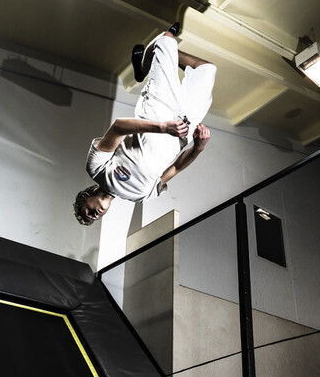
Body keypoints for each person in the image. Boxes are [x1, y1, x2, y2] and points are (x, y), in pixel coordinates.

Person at [73, 23, 216, 225]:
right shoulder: (140, 197)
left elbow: (119, 127)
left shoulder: (97, 170)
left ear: (84, 197)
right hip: (185, 127)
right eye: (93, 218)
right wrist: (198, 148)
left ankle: (143, 66)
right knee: (207, 69)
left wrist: (162, 127)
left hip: (158, 114)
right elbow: (175, 168)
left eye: (87, 212)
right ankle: (150, 62)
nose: (93, 215)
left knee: (166, 39)